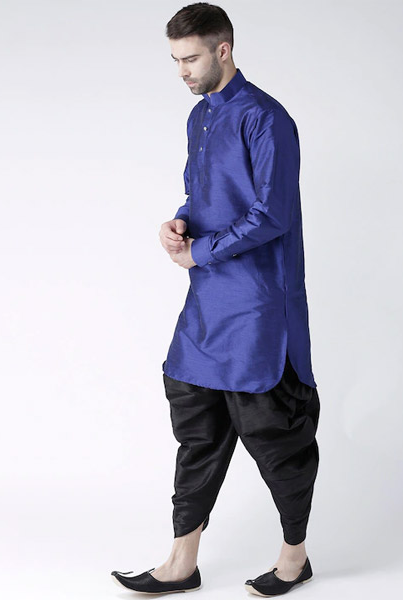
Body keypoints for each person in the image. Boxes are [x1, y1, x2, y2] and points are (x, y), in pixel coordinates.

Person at [111, 3, 320, 596]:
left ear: (223, 50)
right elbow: (203, 195)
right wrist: (179, 224)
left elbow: (272, 213)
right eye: (174, 60)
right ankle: (181, 562)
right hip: (208, 301)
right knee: (196, 424)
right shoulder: (200, 116)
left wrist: (201, 253)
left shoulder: (266, 118)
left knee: (273, 432)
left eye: (191, 58)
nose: (181, 70)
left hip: (259, 305)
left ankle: (294, 558)